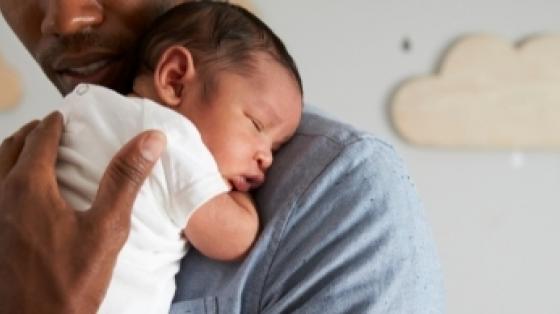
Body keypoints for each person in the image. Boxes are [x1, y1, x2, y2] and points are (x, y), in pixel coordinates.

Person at [0, 0, 445, 313]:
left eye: (270, 143)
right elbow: (232, 233)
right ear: (173, 78)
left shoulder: (340, 193)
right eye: (256, 128)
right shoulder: (163, 143)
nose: (66, 18)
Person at [56, 3, 301, 313]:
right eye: (256, 124)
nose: (266, 157)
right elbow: (235, 240)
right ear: (175, 79)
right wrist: (242, 200)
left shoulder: (81, 107)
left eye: (276, 148)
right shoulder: (172, 138)